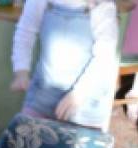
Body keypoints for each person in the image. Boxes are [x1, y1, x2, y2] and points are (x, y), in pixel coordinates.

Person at [10, 0, 120, 130]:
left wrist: (79, 94)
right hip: (43, 93)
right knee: (25, 135)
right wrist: (21, 70)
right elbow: (25, 31)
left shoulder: (102, 6)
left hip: (86, 100)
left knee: (79, 141)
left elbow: (104, 56)